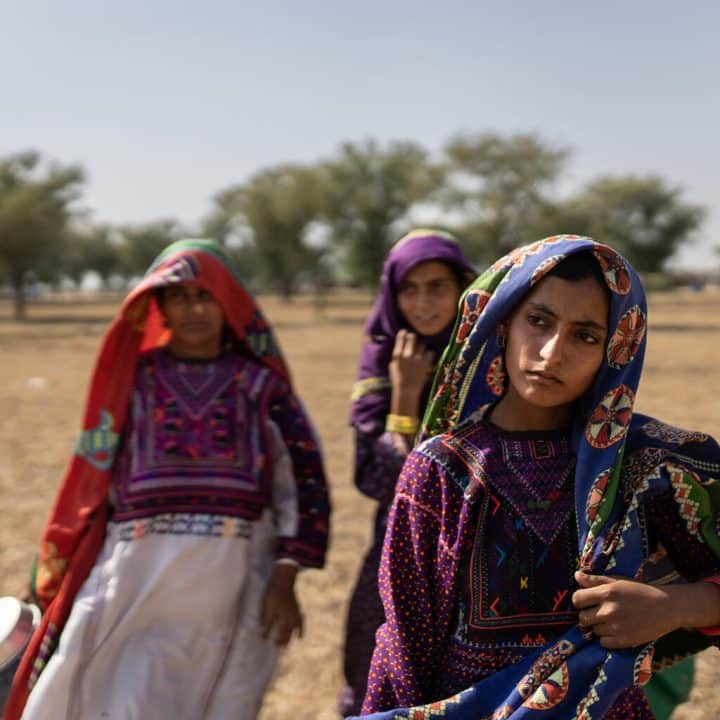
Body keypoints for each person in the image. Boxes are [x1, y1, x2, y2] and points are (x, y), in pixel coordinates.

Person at [356, 235, 720, 719]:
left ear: (617, 351)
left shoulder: (652, 466)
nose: (552, 352)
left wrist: (679, 606)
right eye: (539, 321)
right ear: (502, 324)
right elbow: (403, 645)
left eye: (585, 336)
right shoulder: (440, 470)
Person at [5, 240, 331, 720]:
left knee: (215, 700)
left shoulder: (262, 387)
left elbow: (303, 479)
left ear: (230, 305)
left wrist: (285, 576)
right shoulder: (130, 382)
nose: (195, 309)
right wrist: (53, 565)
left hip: (230, 575)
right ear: (157, 307)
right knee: (105, 695)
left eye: (206, 296)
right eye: (180, 297)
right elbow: (88, 480)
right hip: (134, 572)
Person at [339, 229, 475, 715]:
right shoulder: (382, 365)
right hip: (404, 545)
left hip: (485, 548)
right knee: (380, 669)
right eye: (409, 289)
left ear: (464, 287)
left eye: (437, 286)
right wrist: (403, 399)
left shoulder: (490, 357)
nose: (423, 303)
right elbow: (376, 481)